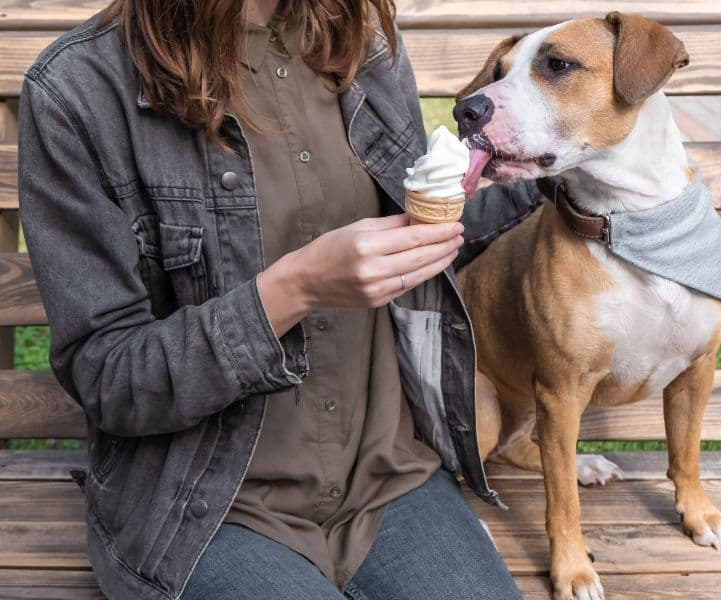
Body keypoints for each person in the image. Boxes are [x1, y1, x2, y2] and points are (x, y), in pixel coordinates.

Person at [18, 0, 541, 598]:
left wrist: (559, 169)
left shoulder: (359, 42)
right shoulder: (77, 89)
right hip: (204, 509)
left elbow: (423, 233)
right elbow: (110, 377)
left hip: (386, 478)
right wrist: (292, 291)